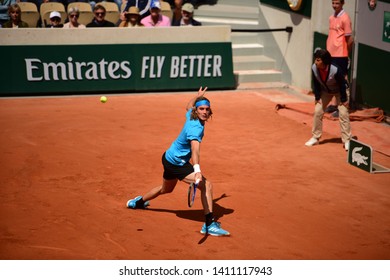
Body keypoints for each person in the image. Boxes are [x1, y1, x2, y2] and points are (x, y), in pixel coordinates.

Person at [126, 87, 230, 237]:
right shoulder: (195, 129)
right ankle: (209, 224)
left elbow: (188, 106)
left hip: (168, 157)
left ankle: (138, 202)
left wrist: (197, 96)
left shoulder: (191, 115)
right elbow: (195, 150)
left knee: (165, 189)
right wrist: (197, 169)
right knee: (206, 185)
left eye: (207, 109)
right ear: (197, 110)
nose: (205, 112)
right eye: (201, 109)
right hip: (177, 163)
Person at [305, 49, 352, 151]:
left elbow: (342, 85)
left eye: (318, 60)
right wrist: (317, 97)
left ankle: (347, 140)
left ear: (324, 61)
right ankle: (315, 137)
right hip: (326, 91)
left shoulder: (335, 69)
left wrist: (344, 99)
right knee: (318, 111)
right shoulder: (314, 68)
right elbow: (316, 84)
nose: (315, 62)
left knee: (343, 113)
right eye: (315, 60)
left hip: (340, 91)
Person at [325, 0, 354, 117]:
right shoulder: (331, 17)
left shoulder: (345, 18)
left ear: (343, 3)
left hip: (341, 54)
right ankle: (334, 104)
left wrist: (346, 53)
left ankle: (343, 106)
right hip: (330, 53)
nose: (334, 5)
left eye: (337, 3)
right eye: (333, 3)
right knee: (332, 79)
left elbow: (350, 40)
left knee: (342, 79)